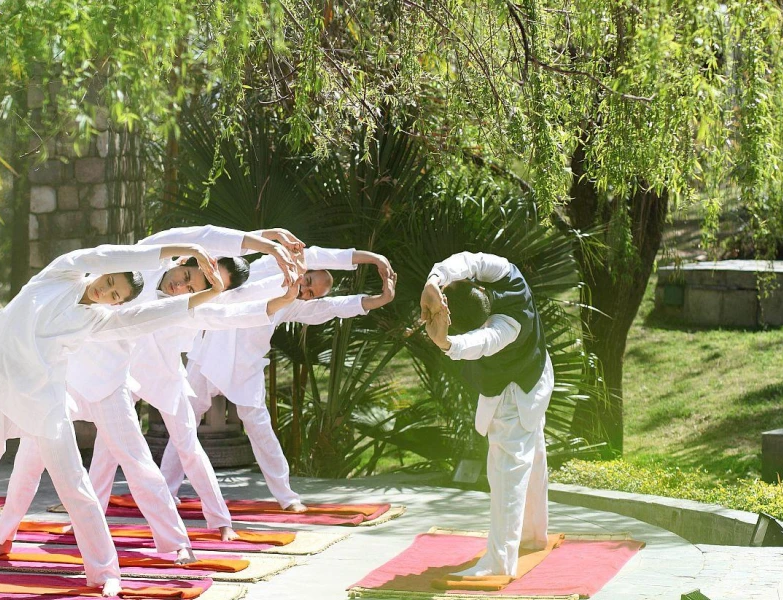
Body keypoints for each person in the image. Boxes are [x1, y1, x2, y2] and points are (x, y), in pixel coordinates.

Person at [0, 242, 238, 596]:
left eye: (115, 293)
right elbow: (104, 255)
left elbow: (144, 317)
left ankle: (105, 572)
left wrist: (208, 294)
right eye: (109, 281)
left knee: (74, 483)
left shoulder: (98, 320)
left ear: (117, 302)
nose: (105, 290)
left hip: (45, 401)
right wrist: (182, 248)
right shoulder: (62, 273)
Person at [83, 226, 301, 540]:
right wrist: (267, 238)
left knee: (189, 448)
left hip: (165, 378)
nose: (180, 286)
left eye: (190, 288)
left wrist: (283, 301)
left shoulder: (189, 307)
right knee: (107, 446)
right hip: (123, 373)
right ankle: (90, 516)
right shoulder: (147, 259)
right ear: (184, 261)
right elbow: (202, 235)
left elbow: (231, 316)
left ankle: (221, 521)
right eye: (185, 276)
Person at [172, 243, 394, 510]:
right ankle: (166, 490)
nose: (305, 291)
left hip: (246, 367)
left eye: (311, 293)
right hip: (210, 352)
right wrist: (374, 257)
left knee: (260, 429)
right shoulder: (271, 267)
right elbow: (318, 254)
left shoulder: (293, 305)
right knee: (184, 419)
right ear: (304, 269)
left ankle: (287, 497)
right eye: (308, 281)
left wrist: (378, 300)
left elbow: (331, 307)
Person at [420, 251, 553, 578]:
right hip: (536, 373)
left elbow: (483, 342)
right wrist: (435, 279)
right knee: (533, 457)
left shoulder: (505, 325)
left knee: (506, 472)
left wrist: (447, 344)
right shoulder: (508, 275)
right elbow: (471, 259)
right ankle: (534, 535)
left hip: (517, 394)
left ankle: (498, 562)